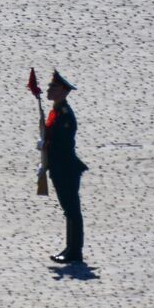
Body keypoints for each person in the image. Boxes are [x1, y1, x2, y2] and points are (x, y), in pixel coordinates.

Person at [43, 70, 87, 264]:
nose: (48, 89)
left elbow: (64, 144)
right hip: (58, 167)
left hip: (66, 168)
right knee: (68, 209)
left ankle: (75, 250)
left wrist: (47, 144)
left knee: (72, 210)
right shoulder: (56, 111)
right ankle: (71, 247)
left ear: (62, 91)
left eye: (52, 87)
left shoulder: (65, 115)